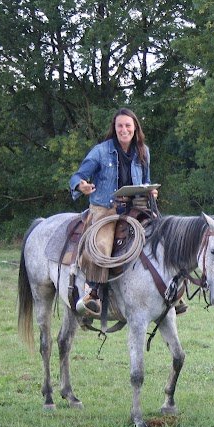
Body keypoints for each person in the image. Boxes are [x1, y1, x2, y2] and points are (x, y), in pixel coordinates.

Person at [69, 108, 156, 317]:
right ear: (114, 128)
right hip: (105, 208)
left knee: (161, 233)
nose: (124, 129)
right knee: (102, 245)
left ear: (135, 128)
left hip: (136, 207)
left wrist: (151, 191)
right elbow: (78, 176)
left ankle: (169, 291)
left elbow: (146, 180)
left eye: (128, 125)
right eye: (120, 126)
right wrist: (81, 185)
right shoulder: (100, 151)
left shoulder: (143, 151)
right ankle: (92, 293)